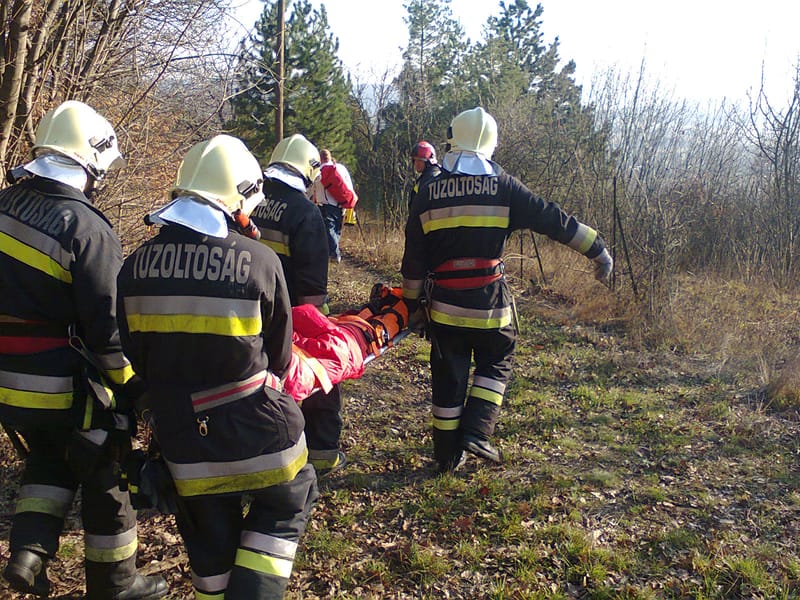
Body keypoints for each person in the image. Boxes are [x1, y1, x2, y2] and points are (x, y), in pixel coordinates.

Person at [116, 134, 318, 599]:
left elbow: (134, 355)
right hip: (262, 437)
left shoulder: (134, 266)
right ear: (238, 199)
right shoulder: (261, 262)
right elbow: (283, 358)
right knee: (291, 497)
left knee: (207, 534)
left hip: (183, 443)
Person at [0, 100, 167, 599]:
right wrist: (136, 393)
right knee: (106, 469)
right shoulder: (86, 229)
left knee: (49, 458)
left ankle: (28, 554)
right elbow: (108, 334)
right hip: (65, 389)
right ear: (88, 161)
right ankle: (116, 583)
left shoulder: (4, 206)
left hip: (9, 384)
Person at [401, 107, 613, 474]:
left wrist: (411, 304)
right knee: (497, 357)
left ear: (452, 140)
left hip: (444, 307)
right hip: (489, 306)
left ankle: (447, 456)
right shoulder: (504, 185)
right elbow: (554, 219)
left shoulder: (429, 191)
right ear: (490, 144)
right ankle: (478, 431)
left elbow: (413, 256)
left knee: (447, 375)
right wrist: (597, 249)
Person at [252, 135, 346, 475]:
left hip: (247, 318)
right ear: (309, 174)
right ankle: (322, 454)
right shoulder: (306, 215)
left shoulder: (250, 201)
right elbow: (312, 293)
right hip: (290, 319)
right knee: (322, 382)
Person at [309, 148, 355, 263]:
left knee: (328, 230)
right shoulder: (341, 168)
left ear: (320, 158)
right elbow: (348, 185)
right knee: (336, 229)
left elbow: (312, 189)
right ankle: (333, 252)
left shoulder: (319, 171)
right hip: (340, 204)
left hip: (325, 205)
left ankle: (334, 254)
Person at [409, 140, 441, 209]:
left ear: (429, 162)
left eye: (420, 160)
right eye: (415, 160)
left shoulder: (428, 179)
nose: (416, 164)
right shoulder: (435, 175)